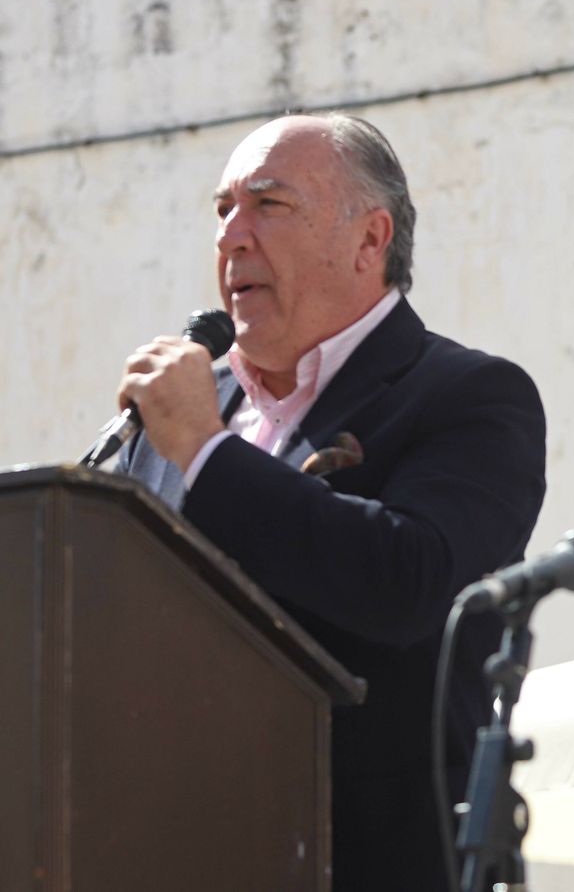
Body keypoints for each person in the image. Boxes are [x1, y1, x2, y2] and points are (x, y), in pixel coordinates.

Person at [115, 113, 547, 889]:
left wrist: (208, 455)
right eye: (223, 210)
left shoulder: (470, 397)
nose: (231, 238)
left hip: (367, 858)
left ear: (369, 239)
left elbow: (410, 582)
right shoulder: (177, 412)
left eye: (268, 205)